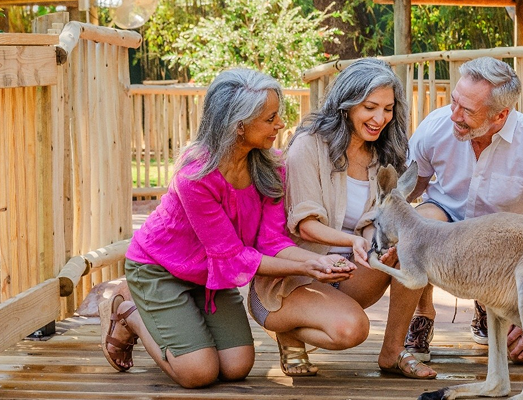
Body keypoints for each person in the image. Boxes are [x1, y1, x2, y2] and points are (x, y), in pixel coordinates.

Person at [99, 68, 358, 388]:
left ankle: (181, 316)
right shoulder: (195, 176)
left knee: (236, 366)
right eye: (271, 118)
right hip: (159, 268)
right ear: (239, 126)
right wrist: (310, 264)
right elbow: (234, 257)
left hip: (209, 276)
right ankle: (130, 314)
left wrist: (314, 262)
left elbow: (270, 240)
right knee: (198, 373)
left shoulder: (272, 166)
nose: (280, 124)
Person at [248, 58, 437, 379]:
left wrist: (385, 243)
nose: (380, 118)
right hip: (292, 278)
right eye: (370, 107)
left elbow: (379, 220)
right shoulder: (308, 145)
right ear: (346, 105)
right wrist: (355, 241)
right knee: (351, 330)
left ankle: (392, 352)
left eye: (388, 109)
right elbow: (305, 224)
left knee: (415, 241)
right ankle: (290, 331)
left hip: (349, 273)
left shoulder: (385, 154)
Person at [403, 57, 523, 364]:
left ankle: (492, 305)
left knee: (518, 354)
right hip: (444, 224)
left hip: (500, 248)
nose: (454, 115)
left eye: (467, 110)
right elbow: (408, 192)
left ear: (500, 115)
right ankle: (422, 312)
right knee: (420, 222)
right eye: (454, 101)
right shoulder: (435, 128)